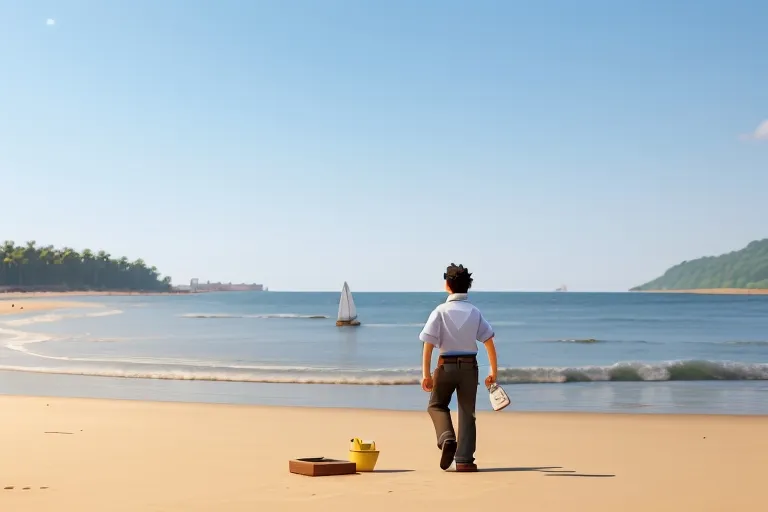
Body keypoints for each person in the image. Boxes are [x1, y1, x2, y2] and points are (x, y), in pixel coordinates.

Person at [419, 263, 498, 472]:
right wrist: (493, 372)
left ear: (447, 285)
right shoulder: (474, 312)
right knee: (467, 412)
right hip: (470, 368)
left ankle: (446, 438)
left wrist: (426, 375)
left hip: (446, 366)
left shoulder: (440, 312)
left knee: (436, 405)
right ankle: (464, 460)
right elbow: (488, 340)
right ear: (468, 286)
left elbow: (428, 345)